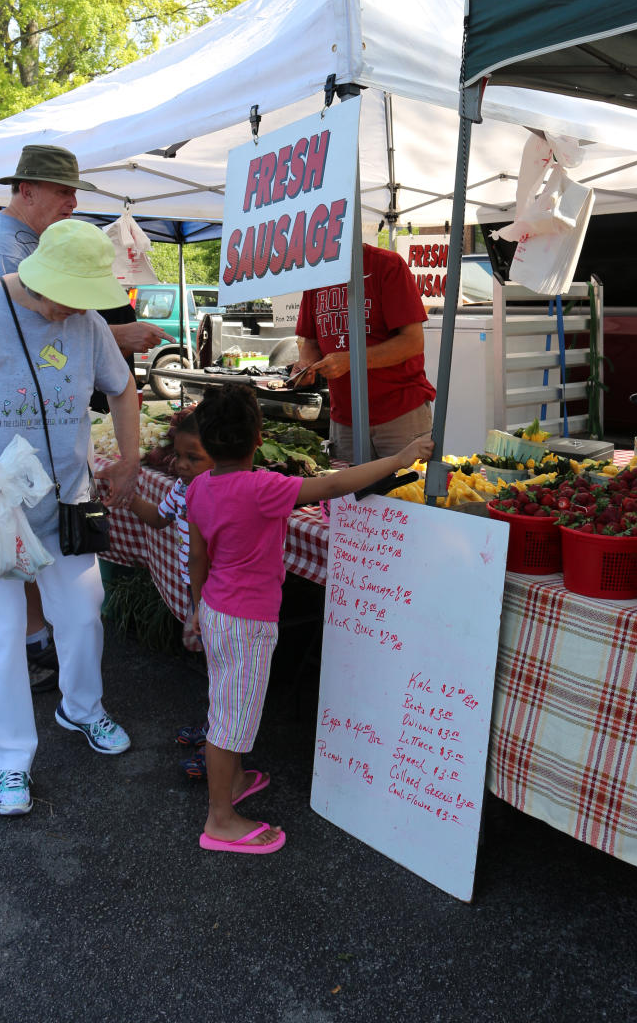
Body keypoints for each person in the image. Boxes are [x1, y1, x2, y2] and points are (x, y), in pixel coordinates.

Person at [0, 218, 141, 817]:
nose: (70, 313)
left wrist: (129, 458)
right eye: (65, 300)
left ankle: (82, 709)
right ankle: (13, 763)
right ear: (39, 277)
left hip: (65, 506)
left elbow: (122, 389)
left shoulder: (87, 321)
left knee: (82, 617)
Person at [0, 143, 172, 691]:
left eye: (75, 192)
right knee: (3, 616)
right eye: (62, 191)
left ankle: (69, 688)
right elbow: (36, 335)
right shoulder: (7, 253)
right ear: (26, 190)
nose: (73, 201)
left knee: (69, 604)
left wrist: (102, 340)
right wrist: (116, 336)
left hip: (42, 482)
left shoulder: (23, 241)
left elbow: (71, 337)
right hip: (5, 481)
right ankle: (30, 670)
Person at [186, 382, 434, 854]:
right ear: (258, 436)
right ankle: (220, 819)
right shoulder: (263, 488)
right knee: (229, 719)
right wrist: (402, 457)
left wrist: (197, 607)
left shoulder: (199, 486)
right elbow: (337, 484)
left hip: (217, 609)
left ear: (207, 441)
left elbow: (198, 555)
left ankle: (233, 781)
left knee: (227, 699)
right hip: (247, 622)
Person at [127, 408, 213, 778]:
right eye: (179, 456)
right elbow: (159, 518)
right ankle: (214, 730)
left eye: (194, 457)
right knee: (214, 669)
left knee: (224, 674)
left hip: (218, 598)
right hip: (199, 595)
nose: (180, 465)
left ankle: (218, 749)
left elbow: (204, 555)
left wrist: (201, 605)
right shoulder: (181, 488)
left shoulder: (220, 494)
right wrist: (127, 497)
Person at [292, 242, 436, 463]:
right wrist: (306, 366)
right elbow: (310, 342)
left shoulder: (387, 264)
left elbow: (413, 342)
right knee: (350, 497)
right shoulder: (317, 274)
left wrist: (353, 360)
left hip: (399, 415)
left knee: (407, 493)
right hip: (345, 420)